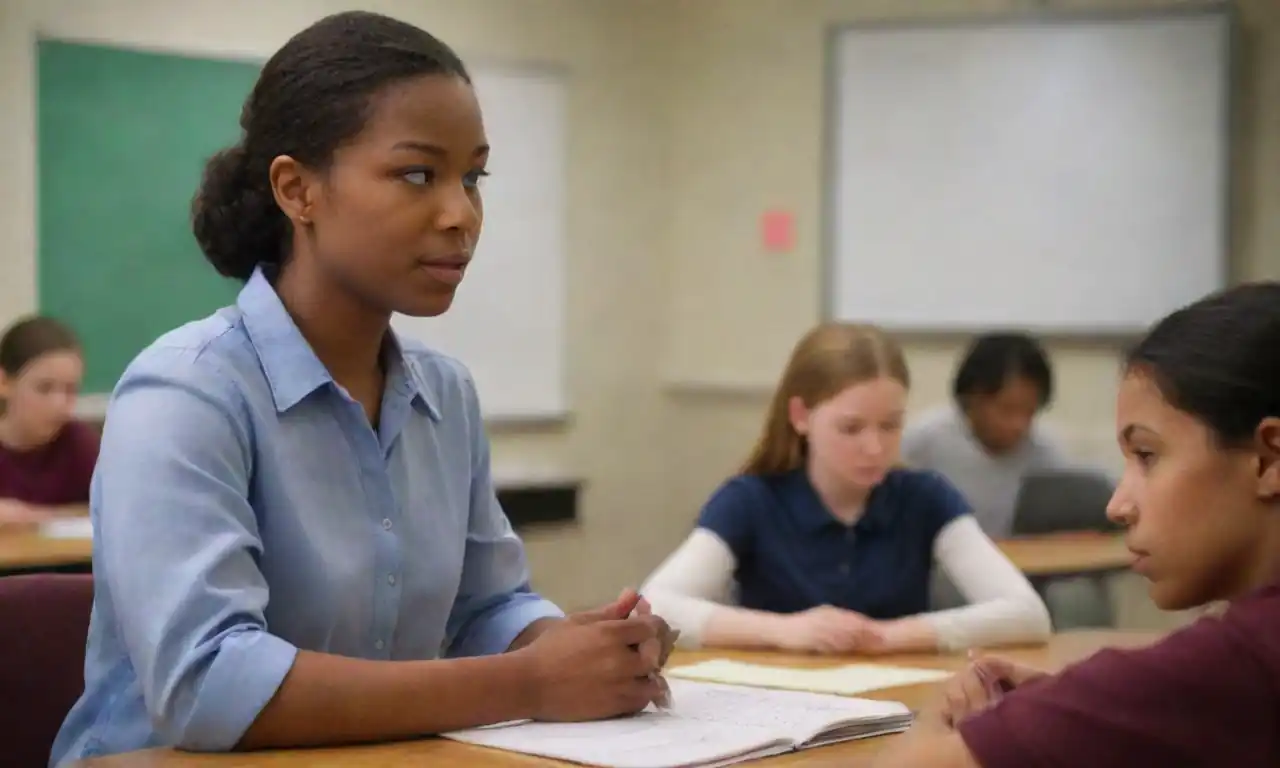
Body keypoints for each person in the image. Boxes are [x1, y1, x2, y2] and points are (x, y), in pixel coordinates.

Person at [51, 12, 667, 764]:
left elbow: (489, 605)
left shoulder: (446, 395)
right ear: (297, 190)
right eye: (418, 174)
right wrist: (530, 682)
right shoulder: (187, 392)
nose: (460, 215)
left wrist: (582, 648)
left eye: (473, 177)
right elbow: (209, 686)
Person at [871, 282, 1280, 768]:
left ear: (1267, 459)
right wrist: (1069, 710)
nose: (1117, 505)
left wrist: (938, 723)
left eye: (1147, 456)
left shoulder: (1233, 665)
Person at [641, 323, 1051, 655]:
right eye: (850, 428)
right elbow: (655, 606)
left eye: (891, 425)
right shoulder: (750, 500)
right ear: (801, 416)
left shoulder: (925, 497)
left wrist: (890, 637)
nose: (875, 448)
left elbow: (1028, 614)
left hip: (894, 709)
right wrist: (785, 631)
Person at [903, 332, 1068, 539]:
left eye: (1030, 412)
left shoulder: (1044, 451)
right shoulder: (924, 440)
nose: (1019, 425)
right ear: (973, 397)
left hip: (1017, 564)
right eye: (1008, 410)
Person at [0, 315, 98, 527]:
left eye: (70, 390)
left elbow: (115, 509)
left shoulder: (80, 445)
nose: (59, 404)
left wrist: (29, 516)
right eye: (44, 388)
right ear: (4, 382)